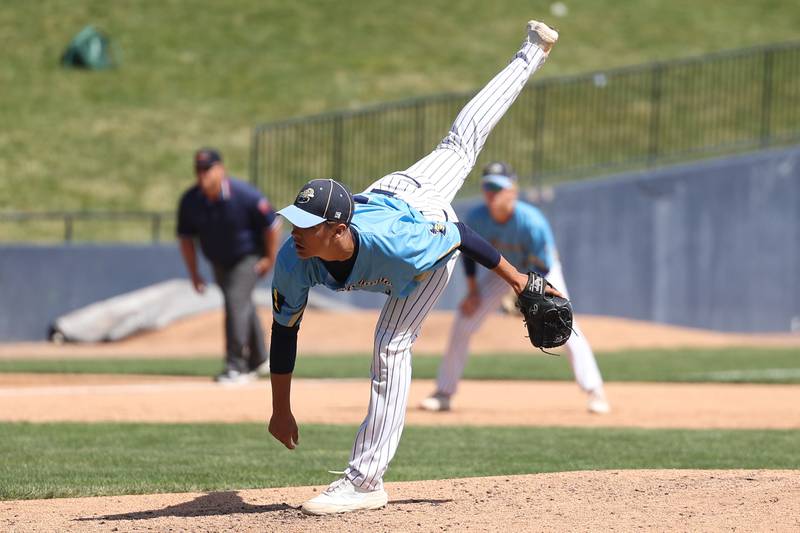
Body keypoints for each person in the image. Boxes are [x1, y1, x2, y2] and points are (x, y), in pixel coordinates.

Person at [267, 20, 560, 515]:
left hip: (423, 235)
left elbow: (459, 234)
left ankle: (365, 481)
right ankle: (531, 52)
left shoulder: (401, 246)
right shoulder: (294, 258)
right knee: (457, 143)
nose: (294, 230)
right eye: (294, 220)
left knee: (390, 345)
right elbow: (283, 329)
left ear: (337, 228)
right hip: (394, 191)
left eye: (305, 223)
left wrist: (518, 280)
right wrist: (279, 409)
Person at [420, 161, 610, 415]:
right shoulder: (478, 217)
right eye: (488, 187)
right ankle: (444, 392)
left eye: (498, 188)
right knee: (464, 321)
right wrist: (473, 291)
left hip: (539, 270)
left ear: (513, 191)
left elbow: (543, 265)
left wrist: (525, 294)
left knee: (566, 322)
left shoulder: (531, 222)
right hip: (505, 270)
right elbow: (467, 255)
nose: (492, 193)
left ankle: (594, 390)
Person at [177, 148, 281, 384]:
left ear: (221, 169)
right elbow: (185, 238)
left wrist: (269, 258)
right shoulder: (192, 200)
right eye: (199, 170)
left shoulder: (244, 194)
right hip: (219, 261)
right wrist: (193, 273)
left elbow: (272, 224)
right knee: (242, 304)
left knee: (235, 302)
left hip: (247, 257)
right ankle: (259, 358)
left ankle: (236, 366)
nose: (203, 175)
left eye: (208, 169)